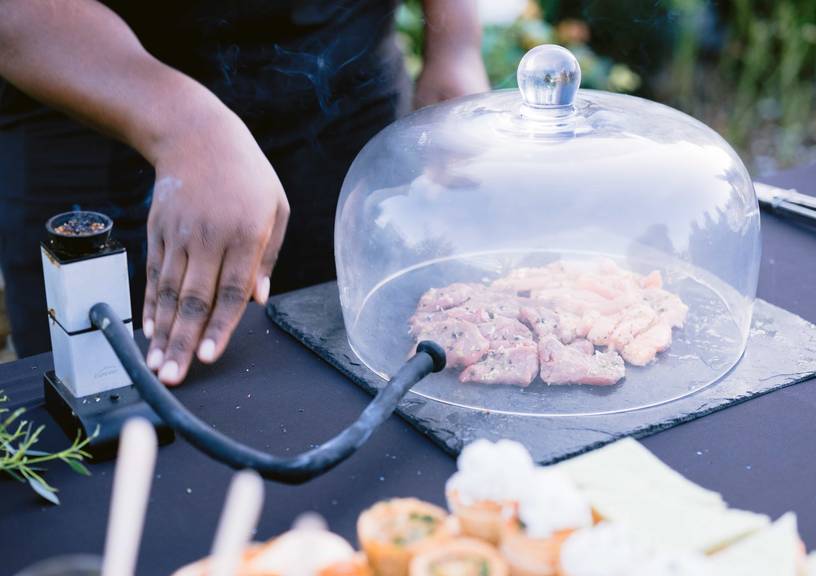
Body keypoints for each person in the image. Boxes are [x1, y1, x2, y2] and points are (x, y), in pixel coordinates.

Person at [0, 0, 488, 384]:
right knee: (103, 402)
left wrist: (455, 47)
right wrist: (184, 128)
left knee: (364, 365)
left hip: (344, 87)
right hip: (89, 95)